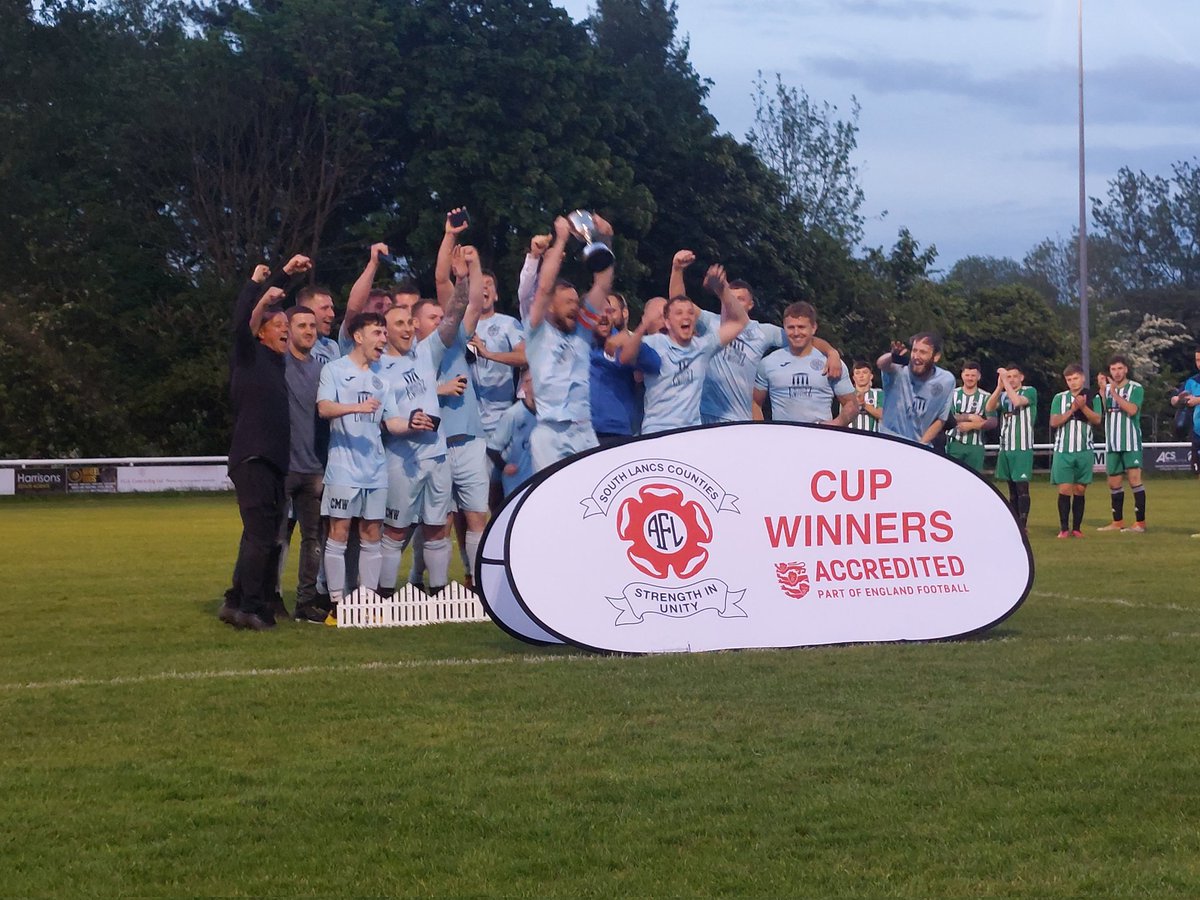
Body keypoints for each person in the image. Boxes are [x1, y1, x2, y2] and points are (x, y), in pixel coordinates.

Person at [377, 250, 484, 598]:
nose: (408, 329)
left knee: (438, 527)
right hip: (402, 460)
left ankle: (437, 592)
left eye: (410, 324)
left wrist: (463, 279)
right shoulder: (378, 369)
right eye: (400, 325)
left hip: (437, 456)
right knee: (395, 530)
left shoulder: (427, 352)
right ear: (385, 331)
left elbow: (454, 313)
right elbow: (385, 418)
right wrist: (406, 424)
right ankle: (385, 595)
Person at [220, 253, 312, 630]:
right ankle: (253, 609)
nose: (285, 330)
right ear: (260, 332)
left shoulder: (276, 363)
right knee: (262, 537)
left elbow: (274, 304)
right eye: (278, 326)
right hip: (253, 458)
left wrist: (281, 286)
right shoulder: (248, 355)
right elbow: (243, 318)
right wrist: (270, 278)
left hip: (272, 462)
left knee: (260, 536)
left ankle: (235, 601)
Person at [316, 311, 406, 622]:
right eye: (377, 333)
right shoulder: (334, 370)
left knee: (372, 533)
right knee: (338, 533)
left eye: (384, 333)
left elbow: (392, 422)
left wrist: (415, 423)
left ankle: (368, 603)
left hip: (375, 470)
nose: (383, 339)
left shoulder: (383, 379)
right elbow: (324, 408)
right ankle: (337, 604)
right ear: (358, 336)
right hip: (343, 467)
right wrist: (356, 406)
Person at [525, 214, 616, 470]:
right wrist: (562, 239)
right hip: (550, 434)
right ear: (551, 307)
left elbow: (603, 285)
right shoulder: (536, 331)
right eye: (568, 303)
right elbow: (543, 287)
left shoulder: (583, 332)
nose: (575, 308)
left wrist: (605, 239)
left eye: (576, 303)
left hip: (584, 430)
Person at [621, 265, 748, 434]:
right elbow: (626, 357)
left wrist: (722, 288)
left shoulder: (703, 346)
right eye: (679, 313)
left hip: (690, 433)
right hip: (657, 432)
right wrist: (644, 324)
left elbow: (740, 322)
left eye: (690, 312)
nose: (686, 316)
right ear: (667, 322)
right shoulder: (653, 343)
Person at [279, 305, 331, 623]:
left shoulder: (323, 371)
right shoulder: (276, 365)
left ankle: (305, 601)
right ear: (288, 329)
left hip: (313, 467)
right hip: (284, 466)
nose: (309, 331)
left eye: (312, 326)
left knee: (313, 537)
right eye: (302, 325)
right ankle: (268, 597)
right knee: (276, 536)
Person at [753, 301, 856, 426]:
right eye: (791, 327)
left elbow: (852, 404)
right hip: (782, 438)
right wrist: (761, 432)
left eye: (801, 327)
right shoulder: (768, 363)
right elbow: (755, 402)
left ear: (813, 328)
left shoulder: (831, 363)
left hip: (820, 436)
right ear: (784, 328)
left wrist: (837, 423)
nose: (796, 333)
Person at [590, 302, 660, 445]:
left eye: (608, 311)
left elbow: (654, 364)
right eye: (597, 311)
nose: (604, 315)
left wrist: (631, 342)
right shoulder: (575, 342)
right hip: (578, 432)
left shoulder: (625, 342)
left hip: (615, 433)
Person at [1049, 363, 1102, 538]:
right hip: (1063, 450)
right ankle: (1064, 528)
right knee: (1064, 489)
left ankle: (1077, 528)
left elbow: (1097, 420)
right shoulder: (1059, 398)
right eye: (1069, 380)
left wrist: (1083, 407)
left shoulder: (1092, 397)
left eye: (1075, 378)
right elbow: (1054, 422)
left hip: (1084, 450)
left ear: (1083, 378)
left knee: (1080, 490)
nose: (1072, 382)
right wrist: (1072, 409)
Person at [875, 333, 955, 446]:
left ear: (936, 356)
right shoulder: (899, 371)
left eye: (923, 352)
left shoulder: (946, 380)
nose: (916, 356)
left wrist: (921, 444)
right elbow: (881, 364)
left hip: (918, 445)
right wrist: (892, 356)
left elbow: (941, 419)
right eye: (914, 350)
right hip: (889, 441)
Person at [1096, 354, 1147, 533]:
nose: (1116, 373)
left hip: (1130, 441)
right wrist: (1103, 394)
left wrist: (1114, 393)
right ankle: (1117, 521)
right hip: (1112, 442)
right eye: (1113, 369)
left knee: (1134, 480)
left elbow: (1132, 410)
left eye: (1119, 368)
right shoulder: (1107, 389)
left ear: (1126, 369)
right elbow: (1106, 413)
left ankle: (1140, 523)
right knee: (1113, 482)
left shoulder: (1135, 388)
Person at [986, 362, 1037, 530]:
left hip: (1021, 446)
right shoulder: (1003, 394)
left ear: (1021, 377)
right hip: (1006, 446)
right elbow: (989, 407)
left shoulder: (1029, 391)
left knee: (1022, 486)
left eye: (1015, 376)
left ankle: (1023, 524)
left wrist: (1005, 381)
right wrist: (999, 386)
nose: (1012, 380)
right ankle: (1014, 522)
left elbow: (1016, 402)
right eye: (1009, 377)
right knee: (1011, 488)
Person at [487, 369, 538, 499]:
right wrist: (505, 467)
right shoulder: (513, 415)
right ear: (524, 386)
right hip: (516, 485)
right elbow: (492, 448)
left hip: (538, 481)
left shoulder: (547, 415)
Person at [944, 361, 992, 473]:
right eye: (967, 375)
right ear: (962, 375)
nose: (970, 378)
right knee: (952, 477)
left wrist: (973, 425)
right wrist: (970, 417)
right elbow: (947, 417)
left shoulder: (986, 397)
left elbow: (992, 422)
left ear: (979, 376)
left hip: (975, 446)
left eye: (973, 375)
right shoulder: (952, 394)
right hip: (954, 443)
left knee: (975, 480)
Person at [1169, 347, 1200, 476]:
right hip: (1198, 433)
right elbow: (1174, 399)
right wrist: (1178, 399)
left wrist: (1197, 400)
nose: (1199, 363)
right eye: (1198, 360)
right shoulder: (1192, 381)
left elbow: (1195, 400)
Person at [849, 361, 883, 432]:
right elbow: (843, 416)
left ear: (871, 376)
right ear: (853, 378)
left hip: (873, 437)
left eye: (864, 372)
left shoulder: (879, 393)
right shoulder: (847, 394)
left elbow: (881, 415)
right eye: (857, 373)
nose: (861, 376)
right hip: (851, 436)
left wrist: (863, 404)